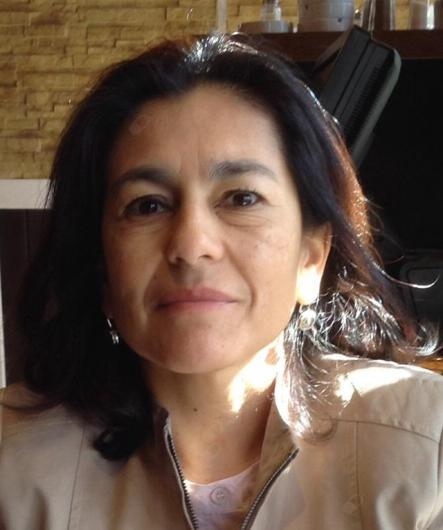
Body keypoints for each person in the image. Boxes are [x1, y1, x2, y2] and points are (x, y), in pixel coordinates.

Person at [0, 34, 442, 530]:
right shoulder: (11, 468)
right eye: (147, 205)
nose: (192, 244)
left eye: (241, 198)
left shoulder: (428, 449)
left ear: (311, 258)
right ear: (101, 268)